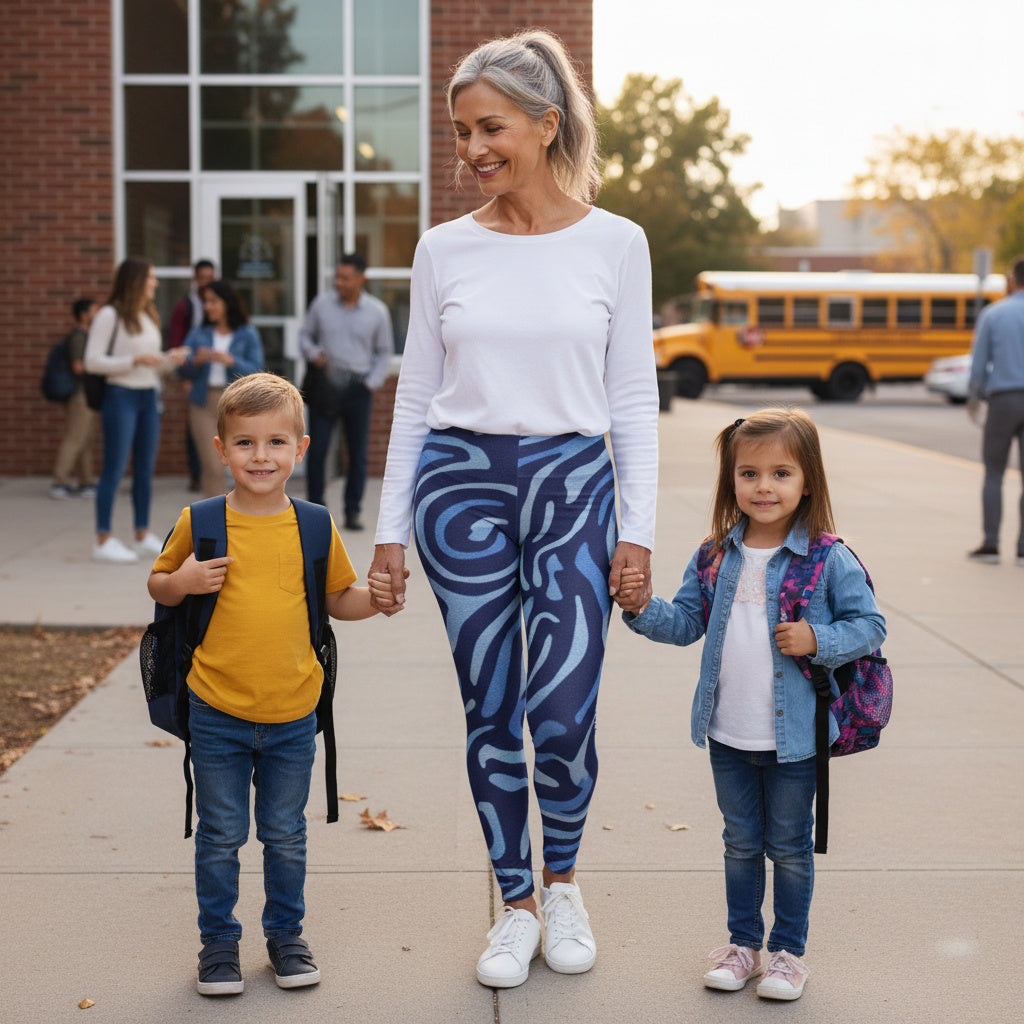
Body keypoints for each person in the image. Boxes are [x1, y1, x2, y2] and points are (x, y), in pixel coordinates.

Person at [369, 29, 659, 989]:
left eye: (490, 127)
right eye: (461, 132)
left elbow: (633, 401)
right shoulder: (443, 249)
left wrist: (637, 532)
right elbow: (416, 397)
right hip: (460, 488)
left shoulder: (617, 243)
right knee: (489, 705)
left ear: (546, 123)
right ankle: (516, 903)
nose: (473, 149)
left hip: (576, 487)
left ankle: (564, 884)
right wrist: (389, 532)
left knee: (564, 709)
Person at [614, 409, 886, 1002]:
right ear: (731, 480)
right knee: (740, 844)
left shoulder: (827, 558)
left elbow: (870, 626)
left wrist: (818, 639)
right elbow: (686, 623)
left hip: (795, 740)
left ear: (807, 481)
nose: (764, 487)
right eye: (749, 473)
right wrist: (639, 608)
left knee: (788, 848)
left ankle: (787, 954)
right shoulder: (715, 555)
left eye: (781, 473)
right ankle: (743, 946)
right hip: (728, 733)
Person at [147, 372, 403, 997]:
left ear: (301, 448)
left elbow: (337, 600)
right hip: (216, 711)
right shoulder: (200, 520)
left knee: (285, 835)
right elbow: (159, 584)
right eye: (245, 443)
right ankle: (218, 944)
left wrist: (376, 601)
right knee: (221, 835)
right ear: (221, 449)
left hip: (293, 714)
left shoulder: (313, 524)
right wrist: (183, 582)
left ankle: (286, 936)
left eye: (276, 443)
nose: (260, 456)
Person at [84, 257, 187, 564]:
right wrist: (134, 361)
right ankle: (103, 539)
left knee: (145, 469)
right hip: (121, 396)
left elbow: (151, 365)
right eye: (151, 277)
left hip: (148, 396)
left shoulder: (148, 314)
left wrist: (169, 360)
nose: (156, 282)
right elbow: (92, 361)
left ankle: (142, 534)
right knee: (114, 468)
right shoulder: (109, 315)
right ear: (135, 281)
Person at [299, 253, 394, 530]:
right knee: (317, 450)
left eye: (345, 278)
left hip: (358, 389)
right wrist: (312, 352)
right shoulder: (321, 305)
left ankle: (353, 511)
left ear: (361, 278)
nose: (339, 282)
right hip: (326, 386)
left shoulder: (377, 311)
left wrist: (371, 383)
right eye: (337, 277)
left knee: (357, 454)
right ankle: (315, 511)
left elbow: (384, 352)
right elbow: (305, 335)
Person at [178, 279, 264, 496]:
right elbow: (182, 371)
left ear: (227, 302)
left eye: (213, 301)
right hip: (203, 402)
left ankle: (244, 509)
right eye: (205, 302)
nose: (208, 307)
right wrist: (195, 362)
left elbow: (257, 370)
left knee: (241, 463)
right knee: (212, 465)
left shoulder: (247, 333)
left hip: (237, 404)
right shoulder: (198, 333)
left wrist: (231, 361)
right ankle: (215, 512)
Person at [967, 255, 1024, 565]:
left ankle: (991, 544)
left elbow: (978, 365)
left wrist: (974, 399)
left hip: (1003, 399)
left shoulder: (994, 314)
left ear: (1012, 280)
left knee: (993, 473)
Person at [169, 260, 217, 491]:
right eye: (203, 277)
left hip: (216, 372)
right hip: (195, 372)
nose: (206, 282)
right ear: (195, 280)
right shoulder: (186, 307)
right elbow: (177, 342)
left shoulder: (218, 305)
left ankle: (215, 472)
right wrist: (185, 374)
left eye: (210, 277)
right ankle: (196, 473)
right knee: (195, 429)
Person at [50, 297, 99, 499]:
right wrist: (100, 365)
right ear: (84, 315)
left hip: (87, 394)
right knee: (75, 438)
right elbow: (78, 367)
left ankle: (86, 481)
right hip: (80, 395)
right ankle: (59, 482)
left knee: (85, 439)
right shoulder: (79, 336)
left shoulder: (86, 335)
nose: (98, 315)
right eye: (95, 311)